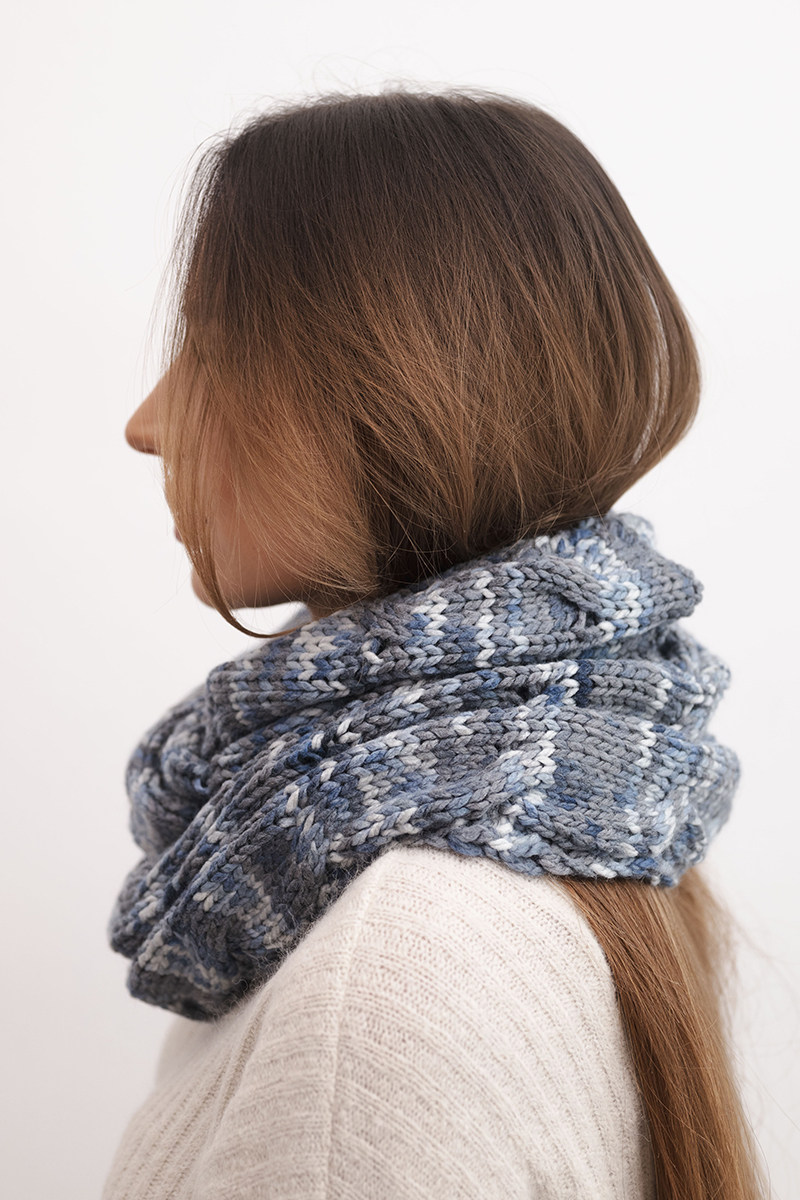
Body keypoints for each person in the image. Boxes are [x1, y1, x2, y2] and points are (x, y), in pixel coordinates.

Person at [105, 89, 765, 1199]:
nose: (148, 425)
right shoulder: (577, 802)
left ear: (395, 388)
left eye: (213, 352)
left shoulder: (386, 983)